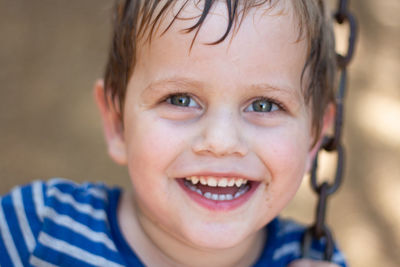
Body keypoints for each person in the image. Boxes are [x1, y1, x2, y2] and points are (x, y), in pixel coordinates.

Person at [0, 0, 347, 266]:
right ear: (117, 122)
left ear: (315, 137)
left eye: (265, 105)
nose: (222, 142)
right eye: (180, 99)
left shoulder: (314, 257)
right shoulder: (35, 229)